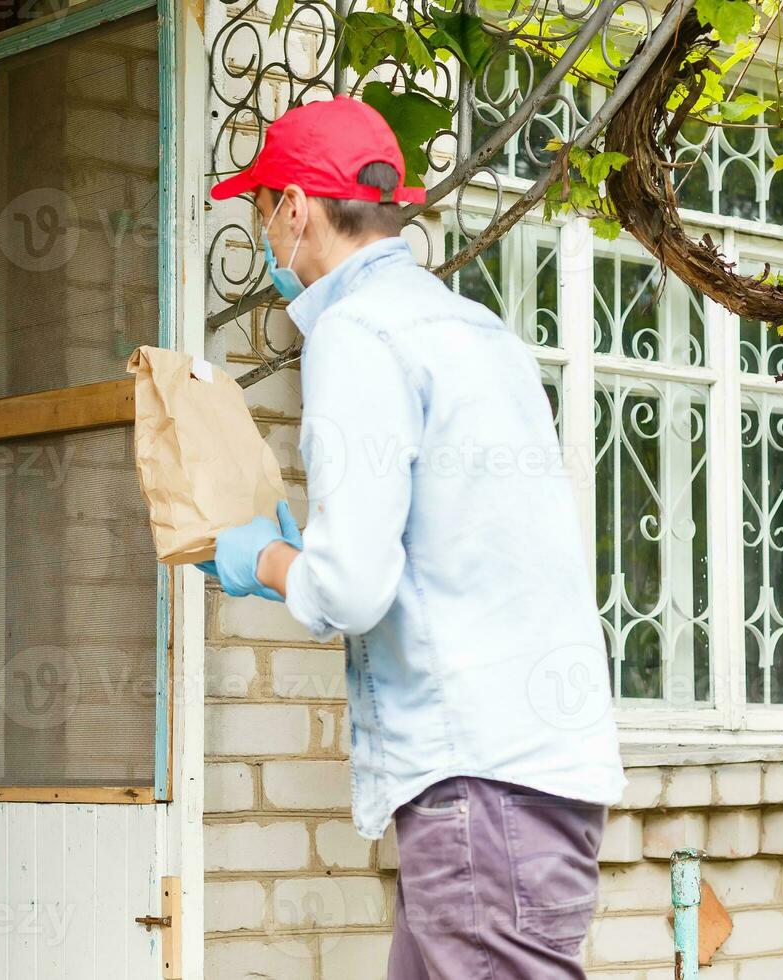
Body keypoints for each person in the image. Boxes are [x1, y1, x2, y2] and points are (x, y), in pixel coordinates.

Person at [199, 97, 627, 978]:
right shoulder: (473, 328)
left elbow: (355, 586)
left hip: (481, 783)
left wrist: (270, 561)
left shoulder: (357, 334)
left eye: (262, 211)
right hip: (524, 773)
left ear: (295, 211)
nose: (269, 242)